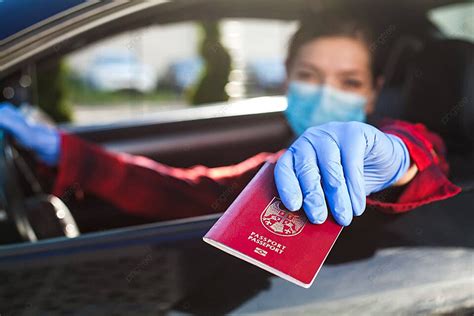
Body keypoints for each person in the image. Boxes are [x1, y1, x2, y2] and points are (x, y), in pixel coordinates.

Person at [0, 14, 460, 227]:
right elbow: (180, 190)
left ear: (375, 91)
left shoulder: (381, 141)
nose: (325, 92)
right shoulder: (275, 165)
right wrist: (64, 151)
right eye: (309, 76)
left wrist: (399, 159)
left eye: (349, 81)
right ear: (286, 79)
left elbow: (427, 154)